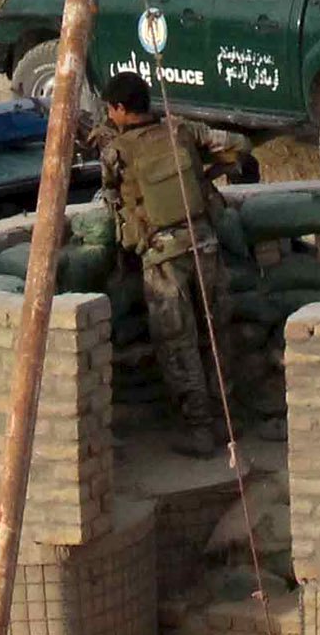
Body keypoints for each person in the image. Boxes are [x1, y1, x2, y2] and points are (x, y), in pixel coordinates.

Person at [99, 70, 245, 455]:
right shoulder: (183, 132)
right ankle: (228, 421)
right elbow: (238, 146)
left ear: (120, 108)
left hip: (162, 257)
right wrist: (204, 176)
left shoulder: (117, 152)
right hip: (205, 244)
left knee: (177, 342)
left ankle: (200, 431)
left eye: (110, 110)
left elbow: (111, 199)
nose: (109, 116)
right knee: (215, 332)